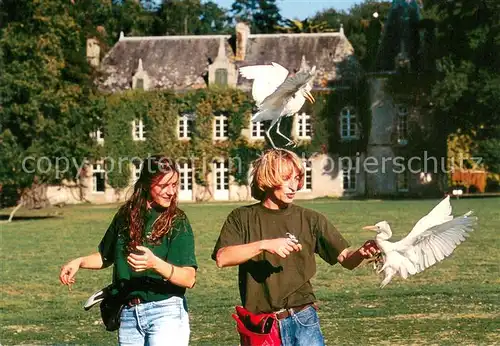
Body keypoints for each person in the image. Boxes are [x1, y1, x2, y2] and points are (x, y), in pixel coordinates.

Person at [211, 148, 380, 346]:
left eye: (297, 178)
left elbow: (346, 259)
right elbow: (223, 258)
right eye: (287, 179)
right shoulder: (241, 218)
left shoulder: (310, 219)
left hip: (303, 318)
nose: (295, 186)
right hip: (262, 326)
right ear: (268, 178)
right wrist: (265, 245)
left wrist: (361, 253)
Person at [60, 155, 197, 346]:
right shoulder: (126, 215)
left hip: (165, 312)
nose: (171, 192)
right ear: (147, 184)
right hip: (129, 315)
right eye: (164, 185)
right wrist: (79, 262)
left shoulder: (177, 221)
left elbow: (188, 278)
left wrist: (155, 264)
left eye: (174, 185)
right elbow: (105, 256)